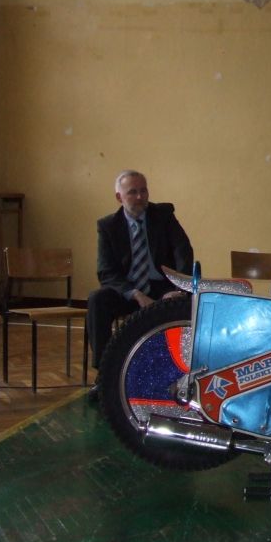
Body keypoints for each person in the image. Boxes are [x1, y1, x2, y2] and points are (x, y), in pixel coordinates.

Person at [86, 170, 193, 397]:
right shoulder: (108, 226)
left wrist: (178, 288)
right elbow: (106, 271)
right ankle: (105, 375)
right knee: (97, 300)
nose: (139, 197)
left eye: (143, 191)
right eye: (132, 192)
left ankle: (180, 374)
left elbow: (183, 251)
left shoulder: (163, 215)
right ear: (119, 197)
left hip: (162, 287)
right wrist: (135, 294)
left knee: (190, 302)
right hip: (129, 290)